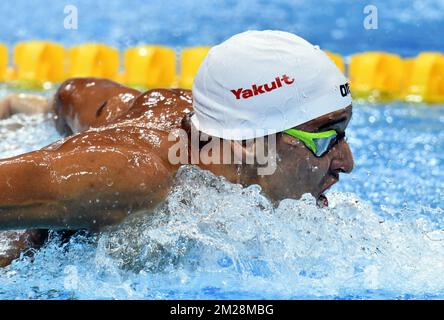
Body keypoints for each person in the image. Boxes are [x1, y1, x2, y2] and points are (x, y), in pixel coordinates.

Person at [0, 30, 353, 266]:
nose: (346, 163)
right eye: (325, 138)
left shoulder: (185, 110)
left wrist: (26, 107)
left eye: (344, 134)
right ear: (248, 142)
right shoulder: (132, 176)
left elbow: (75, 93)